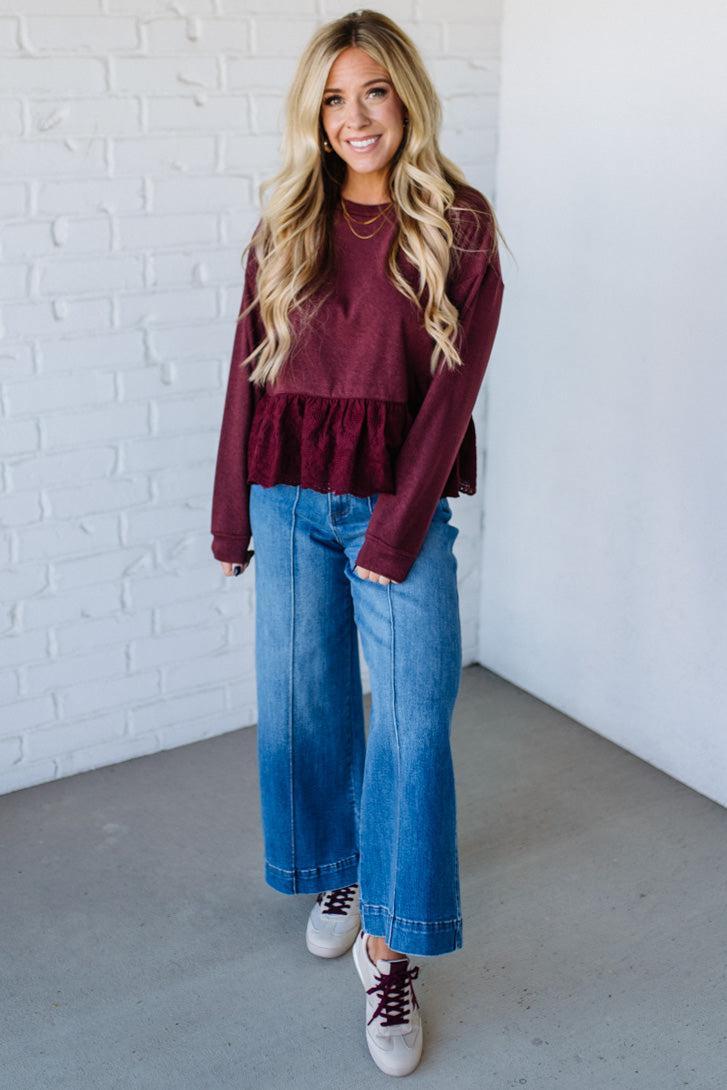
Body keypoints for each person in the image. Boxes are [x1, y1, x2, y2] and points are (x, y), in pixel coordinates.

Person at [210, 8, 505, 1077]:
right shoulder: (289, 215)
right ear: (315, 115)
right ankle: (342, 865)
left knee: (416, 724)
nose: (353, 116)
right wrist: (230, 513)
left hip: (398, 507)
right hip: (285, 496)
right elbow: (247, 364)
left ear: (406, 96)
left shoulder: (458, 223)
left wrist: (397, 524)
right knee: (304, 704)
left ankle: (391, 945)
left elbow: (453, 394)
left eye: (372, 90)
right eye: (333, 98)